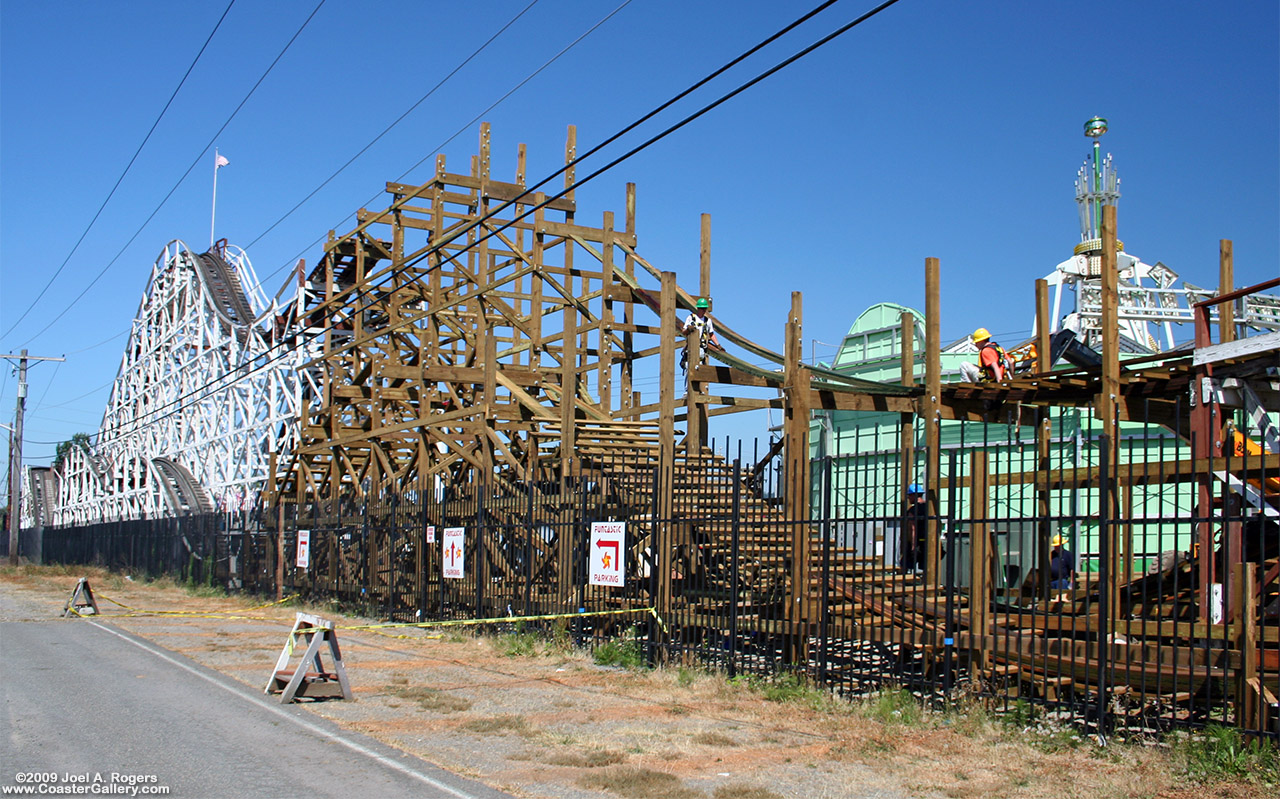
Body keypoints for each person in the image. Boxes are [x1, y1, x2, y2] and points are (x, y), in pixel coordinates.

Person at [680, 297, 722, 372]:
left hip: (701, 347)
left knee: (698, 367)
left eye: (704, 308)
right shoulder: (691, 318)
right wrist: (688, 329)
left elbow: (711, 334)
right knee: (689, 368)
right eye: (702, 308)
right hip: (691, 346)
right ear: (698, 308)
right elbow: (683, 331)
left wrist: (718, 345)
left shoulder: (707, 321)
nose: (703, 310)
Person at [900, 483, 927, 572]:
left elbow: (912, 528)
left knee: (905, 564)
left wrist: (913, 545)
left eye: (909, 495)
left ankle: (904, 582)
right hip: (927, 541)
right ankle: (926, 583)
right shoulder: (929, 508)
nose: (908, 498)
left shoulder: (912, 510)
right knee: (926, 566)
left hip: (917, 541)